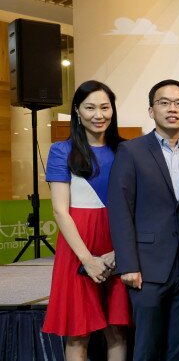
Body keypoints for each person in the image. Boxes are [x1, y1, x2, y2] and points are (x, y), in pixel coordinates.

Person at [108, 79, 179, 361]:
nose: (172, 109)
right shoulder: (131, 151)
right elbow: (120, 209)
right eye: (164, 103)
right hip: (146, 269)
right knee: (147, 346)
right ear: (151, 110)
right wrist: (127, 264)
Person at [42, 80, 130, 361]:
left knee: (117, 329)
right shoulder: (61, 150)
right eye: (90, 107)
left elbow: (136, 207)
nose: (98, 114)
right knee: (78, 333)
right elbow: (59, 211)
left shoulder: (128, 150)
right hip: (77, 247)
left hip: (118, 243)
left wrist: (121, 252)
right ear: (77, 111)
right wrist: (87, 259)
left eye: (105, 107)